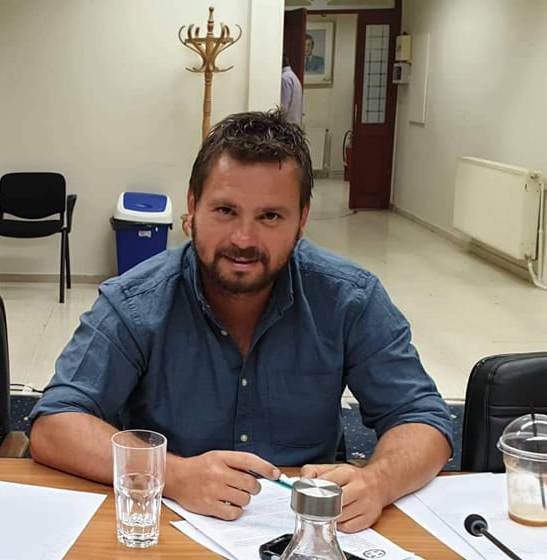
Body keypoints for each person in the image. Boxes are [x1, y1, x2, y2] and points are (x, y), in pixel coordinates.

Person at [30, 109, 452, 534]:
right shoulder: (136, 302)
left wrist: (378, 481)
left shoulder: (349, 298)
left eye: (270, 216)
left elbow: (422, 418)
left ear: (302, 219)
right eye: (225, 210)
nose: (243, 239)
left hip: (308, 533)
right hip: (168, 525)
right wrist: (173, 474)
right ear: (192, 207)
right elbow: (54, 424)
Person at [280, 53, 303, 125]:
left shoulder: (284, 78)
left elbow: (283, 107)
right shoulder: (292, 76)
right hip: (295, 122)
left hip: (287, 123)